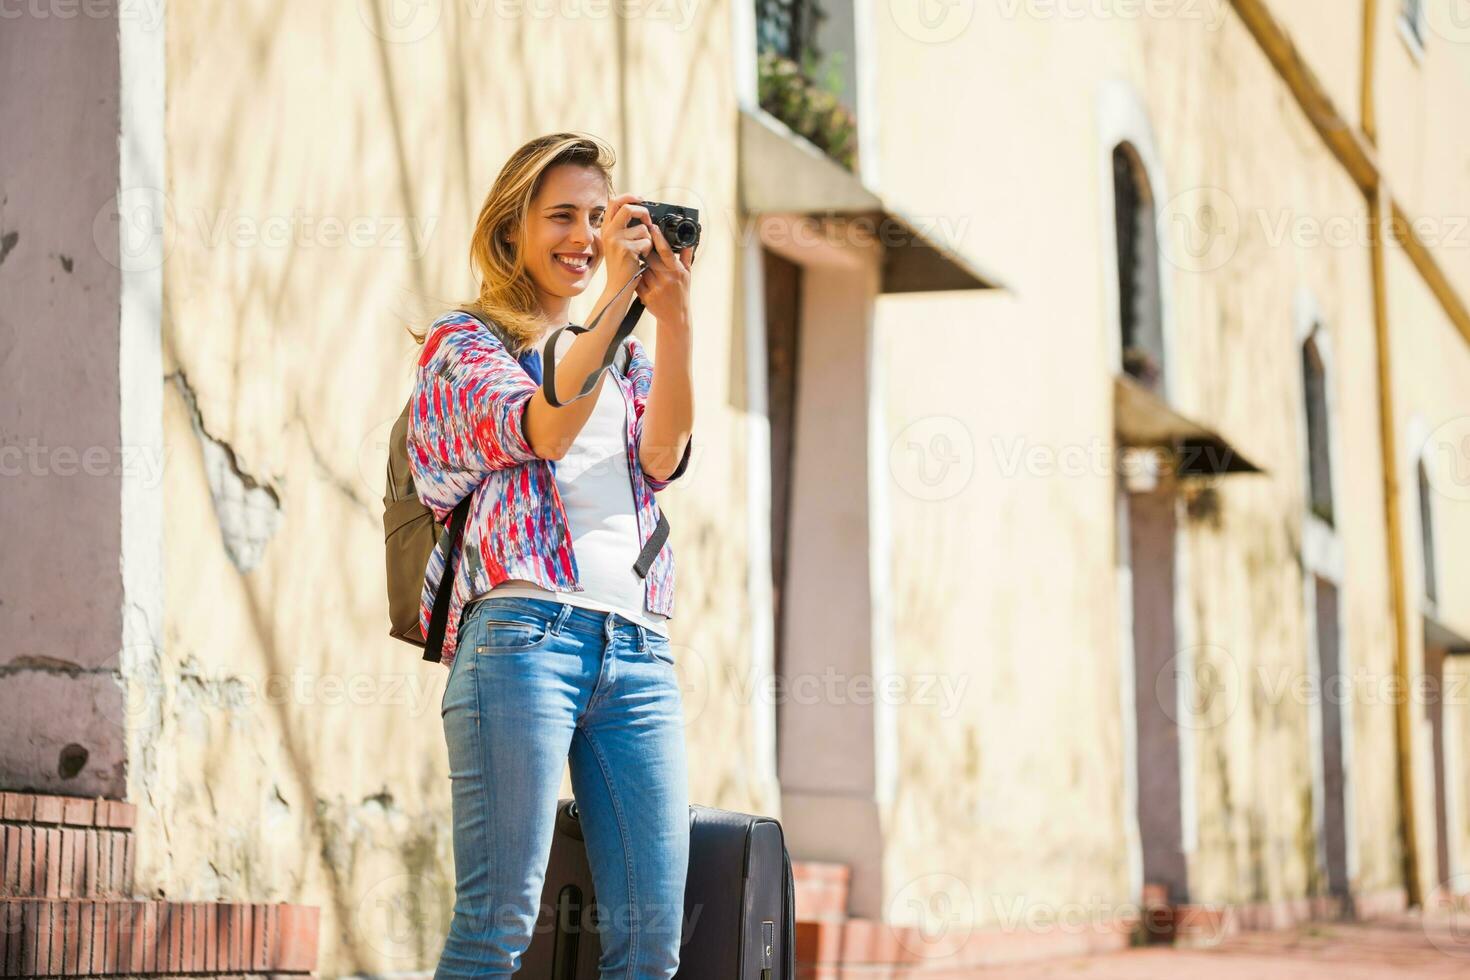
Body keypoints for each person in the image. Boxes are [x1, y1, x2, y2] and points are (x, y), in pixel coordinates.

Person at [405, 132, 696, 979]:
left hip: (639, 650)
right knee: (499, 924)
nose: (585, 236)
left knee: (651, 945)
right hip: (521, 642)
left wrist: (672, 318)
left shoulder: (630, 359)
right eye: (562, 215)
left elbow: (663, 456)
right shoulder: (465, 346)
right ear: (514, 232)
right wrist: (616, 301)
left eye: (601, 218)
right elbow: (546, 424)